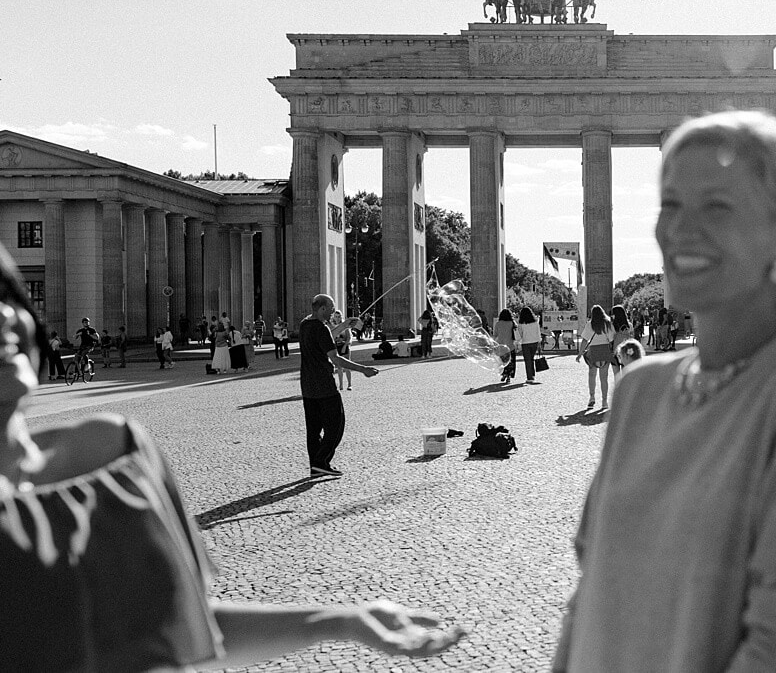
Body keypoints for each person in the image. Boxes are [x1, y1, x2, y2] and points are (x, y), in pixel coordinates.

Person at [0, 244, 464, 670]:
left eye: (7, 292)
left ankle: (318, 461)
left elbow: (184, 628)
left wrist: (341, 621)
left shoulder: (116, 450)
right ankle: (319, 460)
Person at [554, 112, 776, 672]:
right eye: (671, 205)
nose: (680, 229)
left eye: (717, 207)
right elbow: (589, 599)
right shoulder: (640, 388)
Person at [300, 294, 379, 477]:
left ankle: (316, 466)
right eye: (331, 308)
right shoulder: (321, 328)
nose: (333, 311)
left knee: (313, 429)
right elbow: (336, 358)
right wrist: (363, 369)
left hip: (307, 386)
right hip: (324, 386)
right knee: (336, 425)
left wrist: (343, 326)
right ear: (322, 309)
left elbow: (325, 337)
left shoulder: (305, 324)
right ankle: (321, 461)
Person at [575, 305, 616, 408]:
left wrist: (580, 354)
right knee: (604, 378)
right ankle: (604, 401)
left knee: (592, 376)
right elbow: (612, 339)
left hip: (593, 351)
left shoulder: (590, 324)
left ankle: (592, 397)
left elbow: (585, 340)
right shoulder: (608, 323)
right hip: (605, 350)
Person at [516, 306, 541, 383]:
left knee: (527, 360)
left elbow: (519, 335)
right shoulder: (535, 322)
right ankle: (532, 375)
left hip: (525, 342)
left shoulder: (521, 324)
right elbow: (538, 332)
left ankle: (530, 377)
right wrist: (539, 342)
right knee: (532, 359)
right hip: (534, 342)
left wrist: (517, 342)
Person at [493, 308, 518, 383]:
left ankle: (503, 374)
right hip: (511, 346)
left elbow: (495, 335)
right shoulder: (512, 323)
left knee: (502, 362)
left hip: (501, 347)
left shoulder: (498, 323)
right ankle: (508, 377)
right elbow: (516, 334)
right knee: (510, 363)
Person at [609, 304, 633, 376]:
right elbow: (632, 338)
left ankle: (618, 387)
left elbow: (610, 339)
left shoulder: (611, 325)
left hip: (615, 351)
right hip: (626, 351)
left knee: (616, 375)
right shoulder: (629, 325)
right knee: (625, 374)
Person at [331, 312, 353, 390]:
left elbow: (349, 337)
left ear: (341, 317)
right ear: (333, 317)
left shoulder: (345, 326)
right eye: (336, 317)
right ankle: (341, 385)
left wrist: (345, 345)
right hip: (337, 347)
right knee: (339, 367)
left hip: (345, 346)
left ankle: (349, 384)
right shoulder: (332, 327)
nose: (337, 318)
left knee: (347, 366)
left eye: (339, 317)